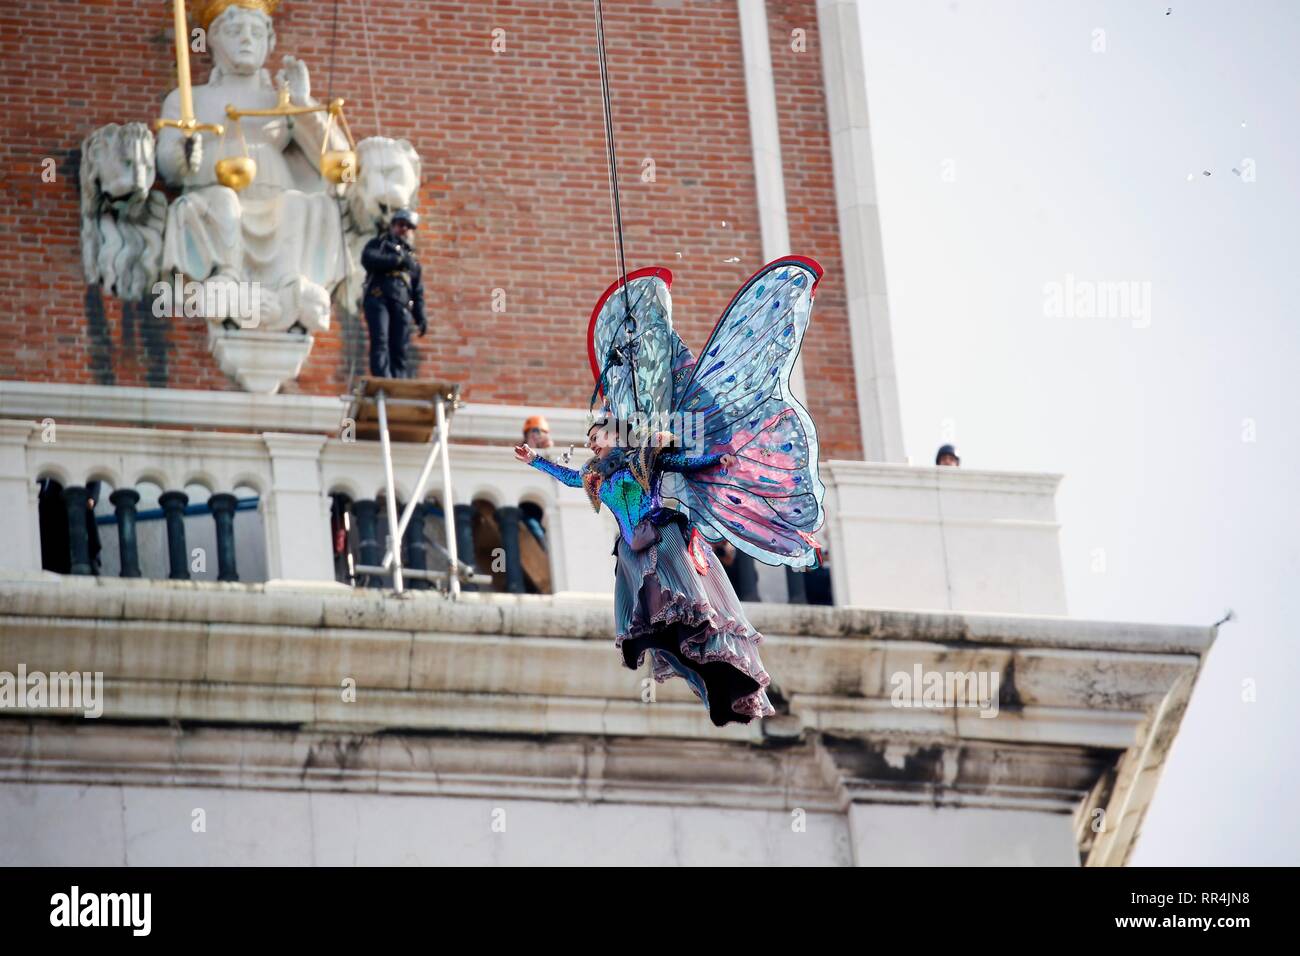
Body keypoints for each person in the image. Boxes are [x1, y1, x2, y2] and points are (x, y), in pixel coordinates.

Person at [517, 408, 773, 726]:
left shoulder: (644, 457)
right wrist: (535, 461)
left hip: (659, 537)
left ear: (614, 435)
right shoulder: (594, 474)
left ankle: (725, 669)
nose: (591, 445)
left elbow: (681, 463)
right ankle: (704, 675)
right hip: (632, 552)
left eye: (595, 437)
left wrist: (715, 460)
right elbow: (569, 478)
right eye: (589, 441)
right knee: (657, 625)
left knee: (687, 613)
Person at [361, 209, 427, 378]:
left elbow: (417, 291)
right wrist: (396, 260)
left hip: (402, 304)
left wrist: (420, 316)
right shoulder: (380, 244)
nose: (403, 229)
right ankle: (383, 378)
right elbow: (368, 259)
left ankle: (398, 380)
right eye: (400, 225)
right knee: (381, 340)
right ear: (392, 226)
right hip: (378, 297)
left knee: (400, 345)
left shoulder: (413, 261)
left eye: (408, 226)